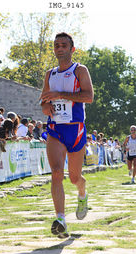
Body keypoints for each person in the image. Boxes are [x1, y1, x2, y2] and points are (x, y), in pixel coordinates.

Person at [39, 32, 94, 238]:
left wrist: (60, 95)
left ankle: (82, 192)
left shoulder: (80, 70)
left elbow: (88, 97)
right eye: (56, 45)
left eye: (63, 45)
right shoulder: (49, 74)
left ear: (72, 49)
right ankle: (60, 219)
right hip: (55, 129)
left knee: (74, 177)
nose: (59, 48)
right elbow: (44, 100)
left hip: (76, 129)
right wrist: (45, 107)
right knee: (55, 172)